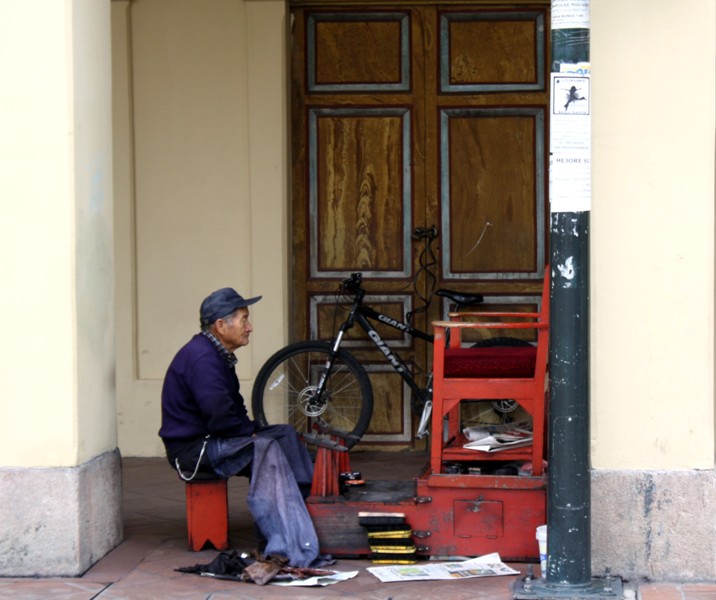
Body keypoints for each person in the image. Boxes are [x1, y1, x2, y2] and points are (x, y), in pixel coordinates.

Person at [159, 287, 320, 567]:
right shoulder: (203, 358)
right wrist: (251, 434)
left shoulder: (215, 352)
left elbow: (233, 410)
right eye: (243, 320)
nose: (250, 327)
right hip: (195, 452)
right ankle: (283, 540)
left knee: (284, 434)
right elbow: (221, 418)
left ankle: (306, 507)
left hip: (214, 438)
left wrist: (251, 429)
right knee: (266, 447)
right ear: (221, 325)